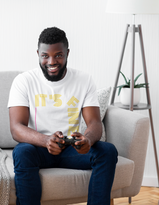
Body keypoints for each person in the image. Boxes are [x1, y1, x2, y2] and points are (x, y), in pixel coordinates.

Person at [7, 27, 118, 205]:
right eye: (45, 56)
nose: (51, 61)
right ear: (38, 54)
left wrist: (87, 140)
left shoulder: (84, 80)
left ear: (67, 53)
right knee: (22, 152)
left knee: (107, 151)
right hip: (39, 148)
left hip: (71, 148)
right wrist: (45, 141)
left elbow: (95, 123)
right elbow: (16, 128)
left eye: (58, 55)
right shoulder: (24, 81)